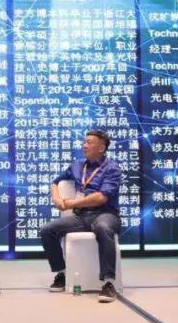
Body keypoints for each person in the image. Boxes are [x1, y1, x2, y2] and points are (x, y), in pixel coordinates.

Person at [41, 130, 123, 303]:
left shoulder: (112, 168)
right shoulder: (77, 165)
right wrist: (57, 200)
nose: (84, 145)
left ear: (101, 148)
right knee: (47, 230)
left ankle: (108, 282)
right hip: (81, 217)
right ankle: (61, 273)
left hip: (105, 214)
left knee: (103, 227)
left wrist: (72, 203)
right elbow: (55, 182)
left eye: (89, 142)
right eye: (84, 142)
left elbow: (101, 197)